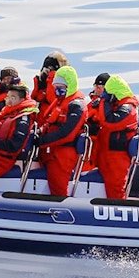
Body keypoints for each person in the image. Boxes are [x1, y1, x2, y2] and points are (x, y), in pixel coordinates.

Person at [36, 66, 90, 196]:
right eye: (55, 87)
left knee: (58, 188)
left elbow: (67, 133)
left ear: (69, 86)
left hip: (63, 155)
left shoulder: (76, 106)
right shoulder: (60, 102)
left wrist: (41, 141)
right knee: (52, 184)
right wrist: (38, 132)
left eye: (60, 87)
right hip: (52, 152)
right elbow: (49, 122)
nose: (57, 91)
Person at [90, 75, 139, 199]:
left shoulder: (128, 108)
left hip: (117, 158)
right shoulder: (117, 105)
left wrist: (104, 101)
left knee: (115, 191)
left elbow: (109, 121)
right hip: (106, 155)